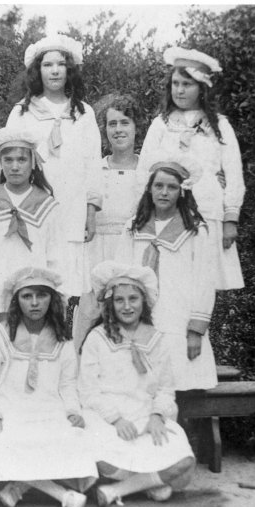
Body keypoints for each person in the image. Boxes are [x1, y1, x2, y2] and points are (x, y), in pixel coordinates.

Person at [0, 266, 97, 507]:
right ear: (16, 300)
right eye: (27, 296)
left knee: (72, 437)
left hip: (49, 409)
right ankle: (60, 494)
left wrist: (72, 410)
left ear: (52, 299)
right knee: (3, 440)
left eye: (42, 295)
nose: (35, 303)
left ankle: (17, 488)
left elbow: (68, 384)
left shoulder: (63, 338)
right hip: (9, 408)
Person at [79, 260, 196, 507]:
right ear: (110, 304)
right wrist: (116, 419)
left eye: (133, 299)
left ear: (144, 303)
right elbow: (88, 391)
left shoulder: (157, 340)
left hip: (146, 416)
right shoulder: (97, 339)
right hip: (108, 419)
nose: (127, 306)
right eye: (119, 300)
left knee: (184, 461)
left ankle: (118, 489)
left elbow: (165, 388)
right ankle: (149, 482)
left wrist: (156, 415)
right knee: (104, 461)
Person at [0, 127, 66, 384]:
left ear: (33, 163)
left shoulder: (48, 206)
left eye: (22, 159)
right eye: (8, 160)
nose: (15, 166)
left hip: (34, 303)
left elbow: (56, 258)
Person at [139, 47, 245, 291]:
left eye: (187, 84)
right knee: (167, 281)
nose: (179, 90)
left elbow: (234, 174)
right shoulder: (161, 125)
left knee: (202, 287)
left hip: (206, 213)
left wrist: (231, 218)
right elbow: (144, 170)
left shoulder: (219, 126)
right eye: (175, 83)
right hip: (166, 213)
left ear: (201, 88)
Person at [6, 33, 101, 300]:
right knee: (32, 283)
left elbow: (92, 164)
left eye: (60, 64)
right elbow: (9, 164)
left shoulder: (84, 114)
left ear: (69, 70)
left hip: (71, 210)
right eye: (47, 65)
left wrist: (91, 211)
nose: (55, 70)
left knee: (65, 288)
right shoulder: (22, 113)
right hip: (33, 210)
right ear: (38, 71)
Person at [116, 159, 217, 390]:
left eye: (172, 187)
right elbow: (121, 277)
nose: (164, 192)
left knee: (180, 385)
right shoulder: (132, 227)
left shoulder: (195, 230)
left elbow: (204, 282)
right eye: (158, 186)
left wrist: (195, 331)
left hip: (179, 322)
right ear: (149, 189)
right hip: (139, 321)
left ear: (182, 192)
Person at [73, 94, 146, 350]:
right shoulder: (95, 168)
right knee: (91, 311)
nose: (118, 130)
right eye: (112, 124)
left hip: (132, 250)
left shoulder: (148, 170)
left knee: (130, 312)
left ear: (137, 127)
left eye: (124, 123)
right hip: (97, 250)